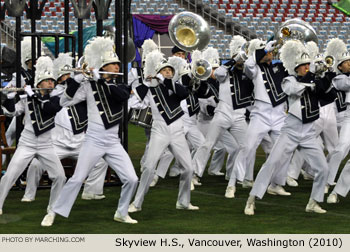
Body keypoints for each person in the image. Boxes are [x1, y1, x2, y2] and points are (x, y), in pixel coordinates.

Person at [50, 37, 138, 225]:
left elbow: (120, 96)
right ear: (105, 65)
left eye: (117, 65)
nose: (117, 67)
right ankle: (54, 211)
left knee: (132, 179)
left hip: (113, 142)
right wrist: (76, 79)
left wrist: (102, 81)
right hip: (93, 140)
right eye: (114, 64)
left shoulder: (121, 85)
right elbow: (64, 102)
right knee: (77, 178)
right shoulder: (89, 86)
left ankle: (121, 212)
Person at [244, 40, 336, 215]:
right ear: (296, 68)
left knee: (323, 168)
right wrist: (312, 76)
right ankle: (252, 199)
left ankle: (313, 202)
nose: (306, 68)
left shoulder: (313, 81)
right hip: (291, 132)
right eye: (303, 66)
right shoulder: (288, 80)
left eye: (308, 65)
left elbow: (329, 96)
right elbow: (294, 90)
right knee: (271, 163)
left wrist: (327, 74)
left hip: (308, 133)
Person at [21, 53, 109, 202]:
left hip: (79, 141)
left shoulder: (79, 90)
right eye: (65, 74)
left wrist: (89, 77)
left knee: (102, 160)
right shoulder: (53, 91)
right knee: (36, 164)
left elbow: (90, 92)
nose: (68, 77)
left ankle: (91, 191)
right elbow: (57, 93)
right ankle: (29, 194)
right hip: (57, 142)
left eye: (70, 74)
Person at [128, 49, 198, 213]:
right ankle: (136, 203)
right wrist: (145, 84)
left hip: (177, 130)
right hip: (159, 130)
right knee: (149, 167)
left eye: (170, 71)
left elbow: (184, 93)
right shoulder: (151, 89)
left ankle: (183, 201)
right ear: (158, 72)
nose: (167, 72)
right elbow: (135, 103)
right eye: (164, 70)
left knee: (188, 169)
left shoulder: (175, 86)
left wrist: (165, 80)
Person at [0, 56, 66, 226]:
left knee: (60, 176)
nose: (51, 83)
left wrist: (32, 94)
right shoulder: (27, 98)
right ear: (39, 83)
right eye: (47, 81)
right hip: (27, 143)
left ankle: (52, 211)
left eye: (52, 80)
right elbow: (11, 112)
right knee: (10, 176)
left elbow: (49, 109)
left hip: (46, 145)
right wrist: (8, 96)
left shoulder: (56, 98)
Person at [227, 38, 290, 197]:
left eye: (269, 51)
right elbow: (248, 65)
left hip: (278, 114)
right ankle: (233, 183)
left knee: (283, 150)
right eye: (266, 51)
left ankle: (275, 184)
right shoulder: (254, 69)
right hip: (260, 114)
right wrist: (261, 51)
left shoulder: (279, 66)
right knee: (247, 148)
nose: (269, 53)